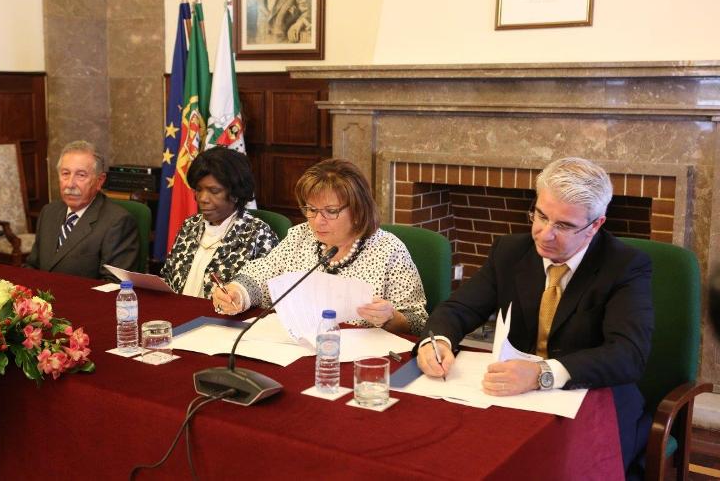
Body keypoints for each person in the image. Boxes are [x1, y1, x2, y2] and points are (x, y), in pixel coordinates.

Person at [417, 157, 653, 475]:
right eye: (541, 215)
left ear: (595, 226)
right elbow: (459, 309)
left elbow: (628, 355)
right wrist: (437, 342)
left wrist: (542, 373)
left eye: (564, 226)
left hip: (592, 399)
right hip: (518, 399)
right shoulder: (510, 251)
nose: (544, 234)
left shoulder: (625, 266)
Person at [212, 158, 428, 335]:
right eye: (311, 209)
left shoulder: (388, 250)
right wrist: (237, 293)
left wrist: (390, 317)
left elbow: (418, 322)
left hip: (359, 358)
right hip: (296, 347)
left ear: (358, 210)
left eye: (331, 211)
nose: (317, 221)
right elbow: (262, 274)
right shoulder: (300, 236)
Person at [160, 147, 279, 298]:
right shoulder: (190, 226)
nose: (203, 198)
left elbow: (267, 296)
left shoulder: (258, 235)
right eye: (198, 189)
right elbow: (168, 278)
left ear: (236, 193)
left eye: (214, 191)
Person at [26, 140, 139, 280]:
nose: (70, 184)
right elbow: (32, 266)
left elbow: (113, 283)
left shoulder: (118, 222)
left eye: (81, 175)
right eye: (65, 173)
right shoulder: (49, 212)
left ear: (100, 181)